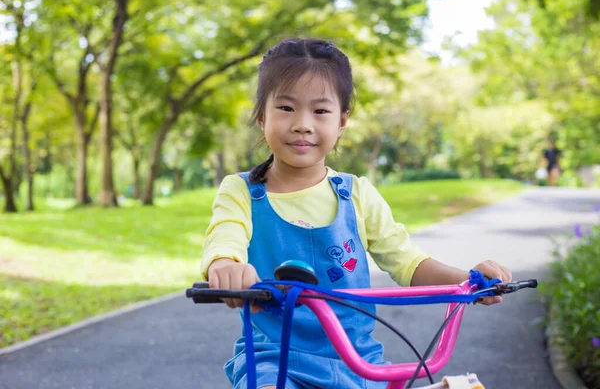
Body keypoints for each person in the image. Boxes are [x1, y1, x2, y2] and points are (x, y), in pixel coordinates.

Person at [201, 38, 512, 389]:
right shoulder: (241, 191)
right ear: (261, 117)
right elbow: (224, 239)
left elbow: (408, 263)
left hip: (359, 363)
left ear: (342, 121)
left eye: (320, 111)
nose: (303, 124)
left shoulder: (357, 194)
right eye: (286, 108)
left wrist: (470, 281)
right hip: (276, 361)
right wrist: (226, 267)